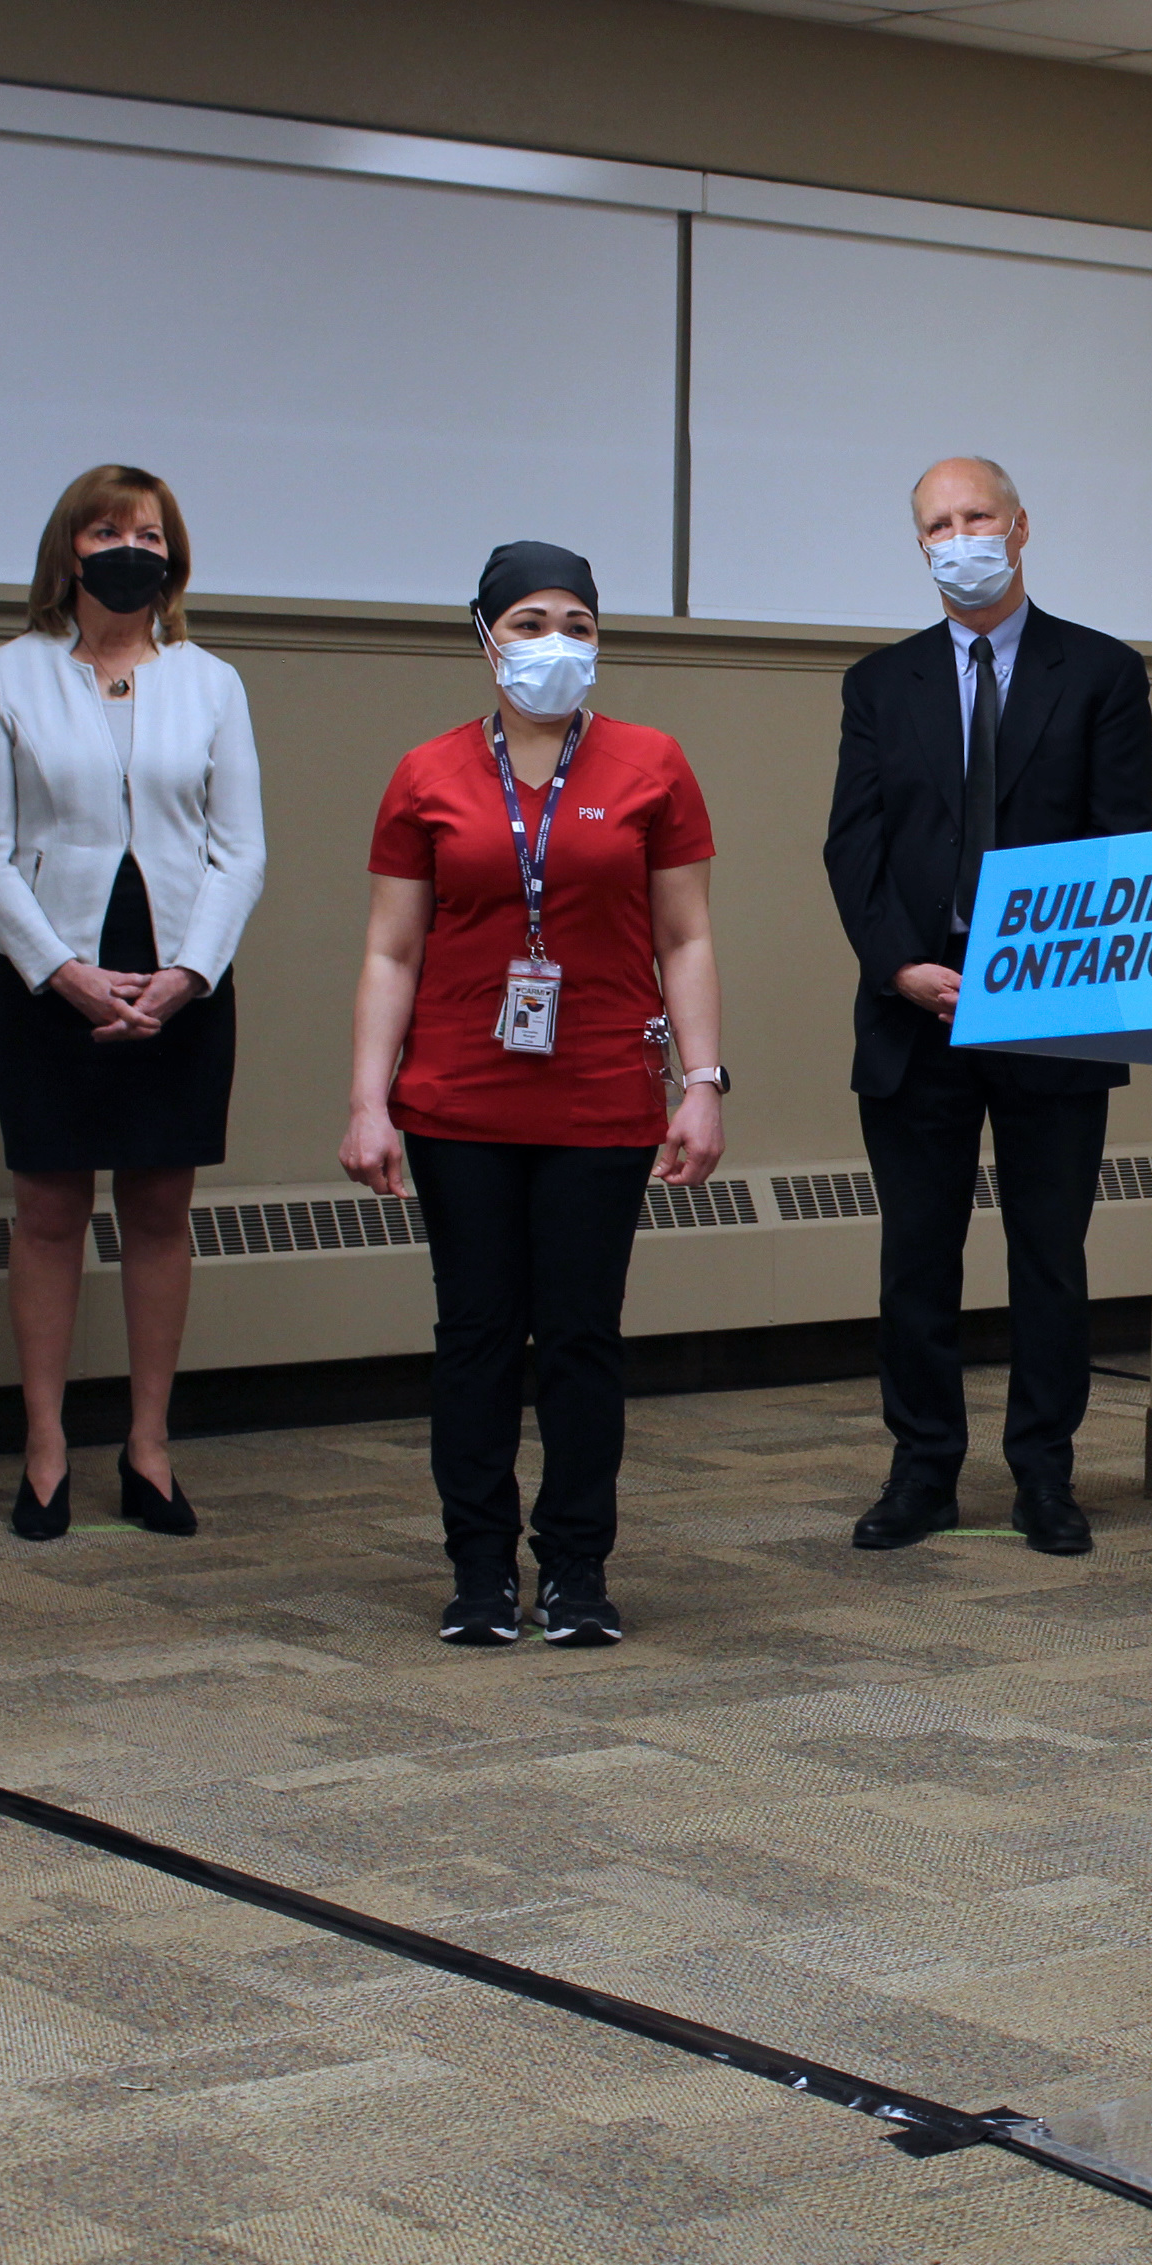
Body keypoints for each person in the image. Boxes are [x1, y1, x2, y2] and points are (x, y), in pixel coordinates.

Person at [341, 543, 724, 1648]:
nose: (553, 642)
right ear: (484, 636)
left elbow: (686, 935)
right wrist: (369, 1101)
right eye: (527, 621)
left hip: (603, 1100)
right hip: (457, 1100)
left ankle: (576, 1569)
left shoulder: (654, 765)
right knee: (474, 1336)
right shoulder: (427, 775)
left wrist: (701, 1085)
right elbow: (390, 953)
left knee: (581, 1339)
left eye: (577, 623)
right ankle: (475, 1568)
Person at [822, 458, 1152, 1558]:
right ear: (920, 545)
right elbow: (853, 846)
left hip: (1051, 1007)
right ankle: (921, 1473)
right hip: (917, 1011)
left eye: (974, 517)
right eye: (935, 524)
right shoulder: (881, 685)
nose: (956, 536)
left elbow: (1119, 846)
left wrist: (1029, 967)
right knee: (917, 1257)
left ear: (1019, 528)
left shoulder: (1101, 672)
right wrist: (898, 969)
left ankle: (1044, 1478)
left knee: (1048, 1256)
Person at [0, 465, 266, 1541]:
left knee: (158, 1211)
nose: (129, 544)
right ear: (68, 549)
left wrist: (189, 974)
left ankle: (148, 1443)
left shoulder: (211, 682)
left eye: (148, 530)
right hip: (48, 974)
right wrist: (65, 974)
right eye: (106, 527)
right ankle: (45, 1447)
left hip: (181, 975)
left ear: (172, 555)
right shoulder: (8, 675)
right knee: (47, 1211)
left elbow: (241, 850)